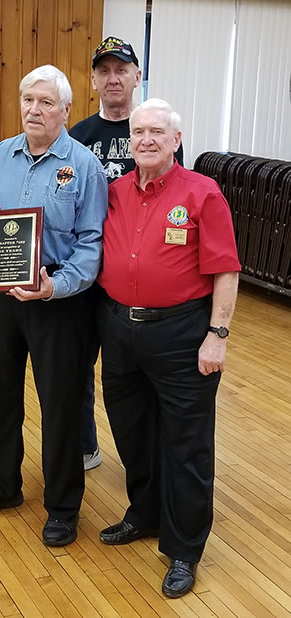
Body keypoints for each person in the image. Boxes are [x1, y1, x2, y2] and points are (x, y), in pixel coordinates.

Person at [96, 98, 240, 598]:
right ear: (129, 140)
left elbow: (225, 269)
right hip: (118, 330)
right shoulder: (113, 191)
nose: (147, 140)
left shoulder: (203, 194)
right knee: (133, 433)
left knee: (186, 445)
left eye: (158, 131)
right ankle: (145, 514)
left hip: (182, 334)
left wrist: (217, 336)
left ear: (176, 140)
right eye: (139, 132)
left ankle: (184, 548)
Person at [0, 65, 108, 546]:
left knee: (61, 404)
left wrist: (56, 285)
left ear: (66, 110)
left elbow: (91, 242)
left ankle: (63, 507)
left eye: (46, 102)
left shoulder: (84, 166)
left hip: (59, 303)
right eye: (28, 99)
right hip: (1, 298)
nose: (34, 109)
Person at [70, 36, 184, 471]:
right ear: (95, 79)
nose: (113, 78)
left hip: (138, 286)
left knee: (139, 376)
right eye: (105, 70)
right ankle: (84, 445)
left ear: (138, 76)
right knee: (80, 366)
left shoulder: (157, 132)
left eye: (122, 70)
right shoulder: (78, 136)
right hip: (85, 276)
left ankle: (149, 459)